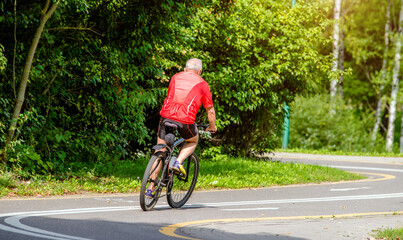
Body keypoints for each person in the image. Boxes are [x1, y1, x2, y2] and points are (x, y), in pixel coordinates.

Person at [145, 58, 217, 198]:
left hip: (166, 117)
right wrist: (212, 126)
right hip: (185, 120)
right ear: (199, 71)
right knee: (192, 140)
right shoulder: (203, 84)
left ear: (185, 69)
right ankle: (178, 162)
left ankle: (150, 188)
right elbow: (210, 110)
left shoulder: (175, 77)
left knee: (161, 147)